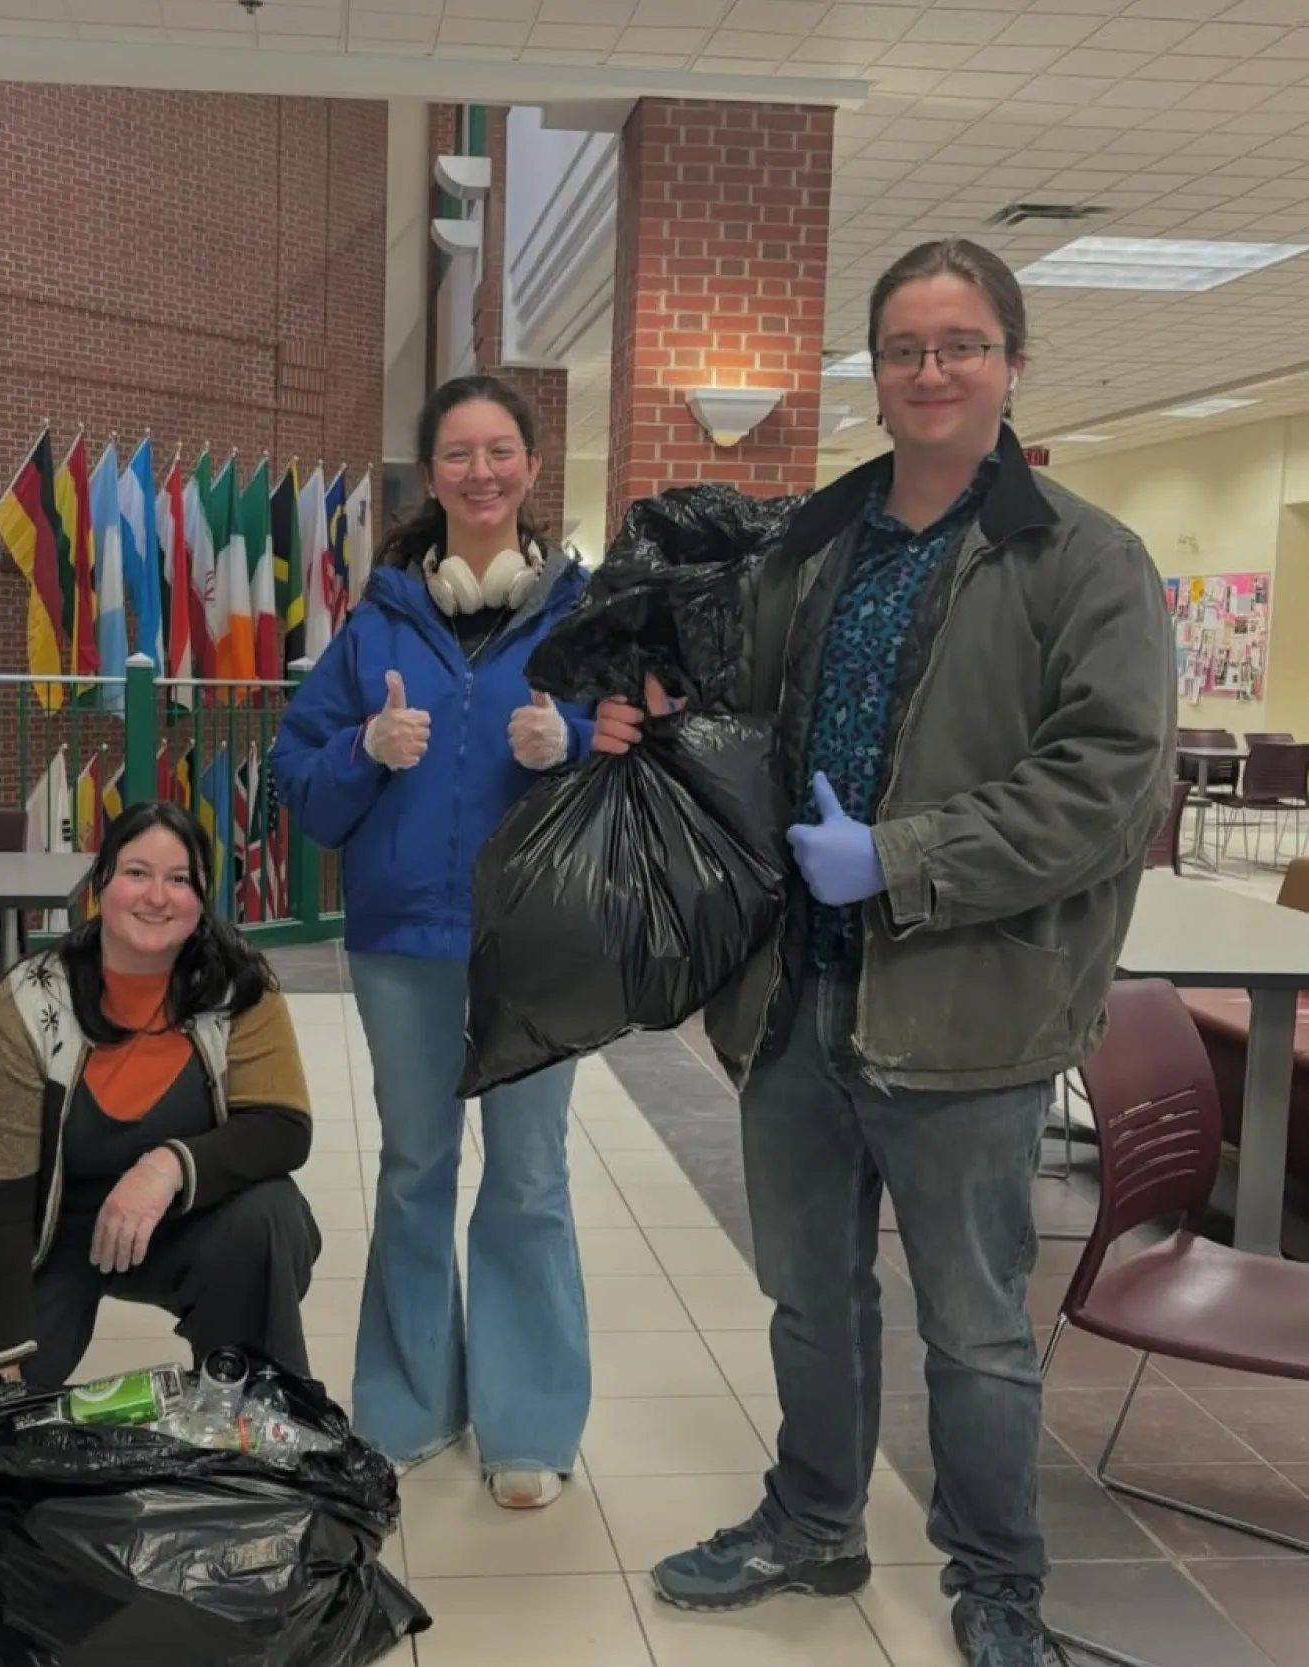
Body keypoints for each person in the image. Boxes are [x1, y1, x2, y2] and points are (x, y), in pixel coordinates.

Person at [593, 240, 1175, 1667]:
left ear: (1010, 362)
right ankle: (811, 1518)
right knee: (809, 1293)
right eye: (904, 347)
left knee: (972, 1328)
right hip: (797, 997)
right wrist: (650, 712)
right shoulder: (814, 541)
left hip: (966, 1010)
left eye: (959, 344)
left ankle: (996, 1579)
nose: (929, 371)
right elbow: (740, 706)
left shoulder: (1080, 558)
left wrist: (900, 858)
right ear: (874, 368)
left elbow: (1104, 786)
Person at [271, 374, 595, 1511]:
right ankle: (408, 1400)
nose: (480, 471)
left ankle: (529, 1419)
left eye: (499, 450)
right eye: (457, 453)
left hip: (535, 941)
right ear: (430, 474)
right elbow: (300, 786)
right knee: (414, 1171)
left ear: (530, 466)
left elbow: (648, 758)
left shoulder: (582, 614)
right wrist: (366, 742)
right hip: (404, 942)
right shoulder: (375, 624)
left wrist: (576, 742)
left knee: (529, 1175)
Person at [0, 799, 322, 1493]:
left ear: (201, 896)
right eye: (136, 871)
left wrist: (167, 1167)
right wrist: (0, 1380)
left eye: (180, 879)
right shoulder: (28, 1002)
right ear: (101, 883)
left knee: (268, 1213)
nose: (157, 895)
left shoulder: (240, 986)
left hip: (182, 1222)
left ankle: (253, 1399)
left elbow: (283, 1125)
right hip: (42, 1235)